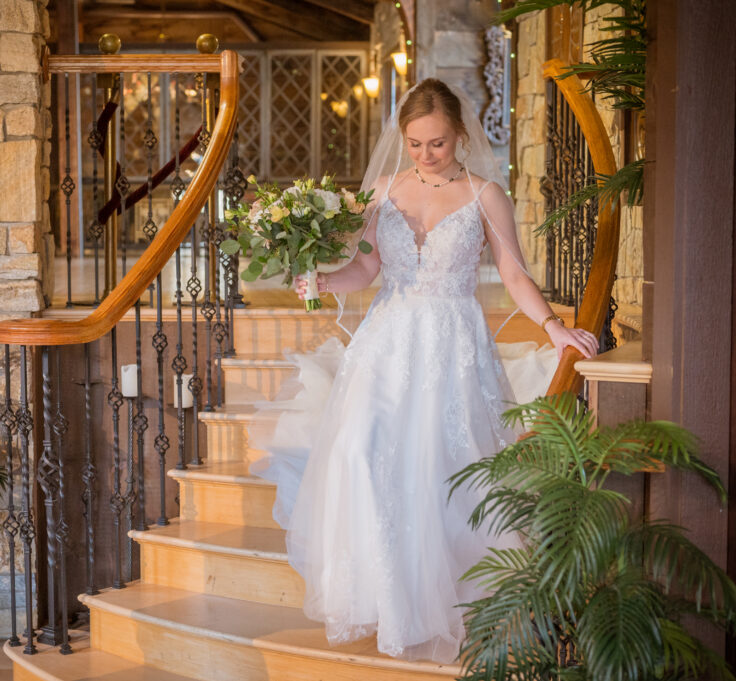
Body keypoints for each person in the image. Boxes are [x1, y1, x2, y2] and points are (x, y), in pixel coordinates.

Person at [250, 79, 598, 664]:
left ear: (460, 135)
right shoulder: (384, 192)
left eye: (436, 143)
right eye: (414, 143)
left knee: (447, 468)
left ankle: (455, 602)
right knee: (362, 453)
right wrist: (319, 281)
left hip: (453, 347)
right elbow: (364, 272)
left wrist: (552, 327)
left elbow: (514, 275)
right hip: (387, 343)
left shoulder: (486, 194)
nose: (425, 155)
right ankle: (385, 596)